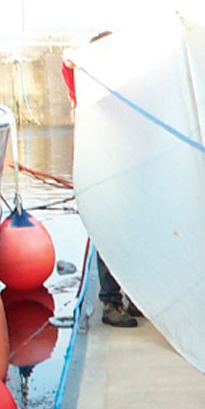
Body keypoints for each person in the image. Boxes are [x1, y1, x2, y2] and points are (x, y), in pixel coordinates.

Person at [61, 32, 141, 328]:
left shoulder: (124, 86)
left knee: (133, 237)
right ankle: (110, 301)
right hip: (104, 172)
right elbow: (69, 69)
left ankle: (135, 297)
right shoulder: (90, 86)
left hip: (126, 170)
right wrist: (75, 60)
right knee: (110, 237)